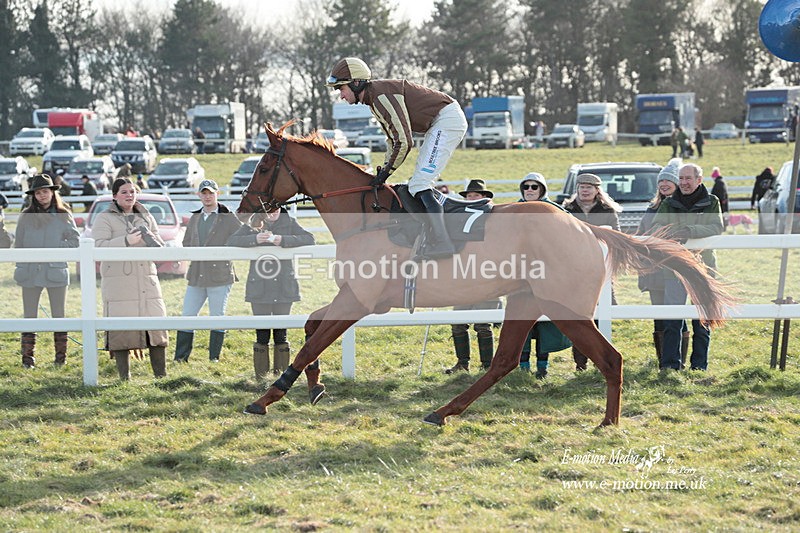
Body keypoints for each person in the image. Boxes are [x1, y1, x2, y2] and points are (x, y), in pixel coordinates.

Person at [326, 57, 467, 259]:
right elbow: (393, 140)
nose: (341, 95)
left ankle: (442, 242)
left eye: (342, 88)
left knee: (419, 184)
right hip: (441, 122)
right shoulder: (374, 99)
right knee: (416, 185)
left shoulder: (380, 96)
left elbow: (404, 141)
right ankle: (432, 237)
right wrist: (384, 169)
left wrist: (385, 174)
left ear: (356, 83)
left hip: (446, 120)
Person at [92, 177, 169, 380]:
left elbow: (159, 242)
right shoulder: (104, 218)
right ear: (115, 195)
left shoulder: (146, 215)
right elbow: (98, 247)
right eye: (124, 192)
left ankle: (161, 377)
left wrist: (152, 241)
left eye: (132, 191)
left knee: (156, 329)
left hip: (146, 280)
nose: (129, 195)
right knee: (121, 330)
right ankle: (124, 378)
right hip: (119, 284)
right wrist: (126, 241)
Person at [227, 208, 315, 378]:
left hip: (284, 285)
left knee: (281, 333)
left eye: (275, 209)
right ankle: (261, 377)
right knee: (262, 333)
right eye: (268, 210)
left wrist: (283, 240)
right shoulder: (253, 224)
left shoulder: (289, 222)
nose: (272, 213)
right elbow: (231, 241)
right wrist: (254, 239)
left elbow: (310, 239)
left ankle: (282, 375)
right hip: (259, 286)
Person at [651, 163, 723, 371]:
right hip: (674, 268)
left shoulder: (711, 202)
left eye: (688, 178)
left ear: (699, 180)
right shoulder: (669, 203)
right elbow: (656, 227)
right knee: (673, 319)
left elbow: (716, 226)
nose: (683, 182)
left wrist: (688, 230)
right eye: (681, 178)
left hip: (704, 268)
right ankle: (670, 366)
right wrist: (676, 231)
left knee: (702, 319)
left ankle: (699, 366)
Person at [13, 174, 80, 368]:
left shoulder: (63, 214)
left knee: (59, 315)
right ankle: (27, 359)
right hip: (30, 272)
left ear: (52, 192)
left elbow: (75, 241)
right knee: (29, 316)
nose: (42, 195)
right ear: (33, 195)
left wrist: (55, 247)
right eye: (38, 192)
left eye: (45, 191)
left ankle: (60, 359)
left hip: (55, 271)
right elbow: (19, 245)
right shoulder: (26, 215)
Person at [174, 179, 242, 363]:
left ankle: (214, 358)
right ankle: (180, 358)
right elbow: (186, 242)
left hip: (220, 274)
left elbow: (241, 236)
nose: (207, 196)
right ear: (199, 195)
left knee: (217, 316)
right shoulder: (195, 217)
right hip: (197, 274)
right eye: (204, 193)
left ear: (217, 194)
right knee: (187, 314)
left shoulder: (227, 216)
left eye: (211, 193)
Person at [516, 172, 571, 378]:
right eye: (526, 187)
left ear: (542, 190)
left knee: (546, 324)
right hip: (518, 276)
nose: (529, 191)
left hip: (548, 275)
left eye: (534, 187)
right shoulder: (513, 211)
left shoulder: (556, 212)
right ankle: (522, 367)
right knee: (521, 322)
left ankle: (542, 367)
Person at [563, 173, 620, 370]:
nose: (585, 190)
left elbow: (616, 237)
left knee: (599, 315)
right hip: (574, 269)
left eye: (589, 187)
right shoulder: (567, 210)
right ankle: (580, 362)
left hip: (600, 267)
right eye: (581, 187)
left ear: (597, 190)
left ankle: (601, 359)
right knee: (578, 317)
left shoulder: (607, 210)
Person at [445, 180, 500, 373]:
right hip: (464, 278)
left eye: (476, 196)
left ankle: (487, 366)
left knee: (483, 325)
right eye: (469, 196)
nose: (472, 199)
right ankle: (462, 363)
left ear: (484, 198)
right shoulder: (458, 221)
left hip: (487, 278)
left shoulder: (494, 219)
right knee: (458, 323)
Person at [637, 158, 684, 366]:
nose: (664, 185)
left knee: (677, 314)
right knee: (658, 315)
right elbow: (642, 232)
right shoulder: (651, 208)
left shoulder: (682, 207)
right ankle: (663, 360)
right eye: (661, 181)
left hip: (674, 268)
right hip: (654, 269)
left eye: (669, 181)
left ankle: (676, 360)